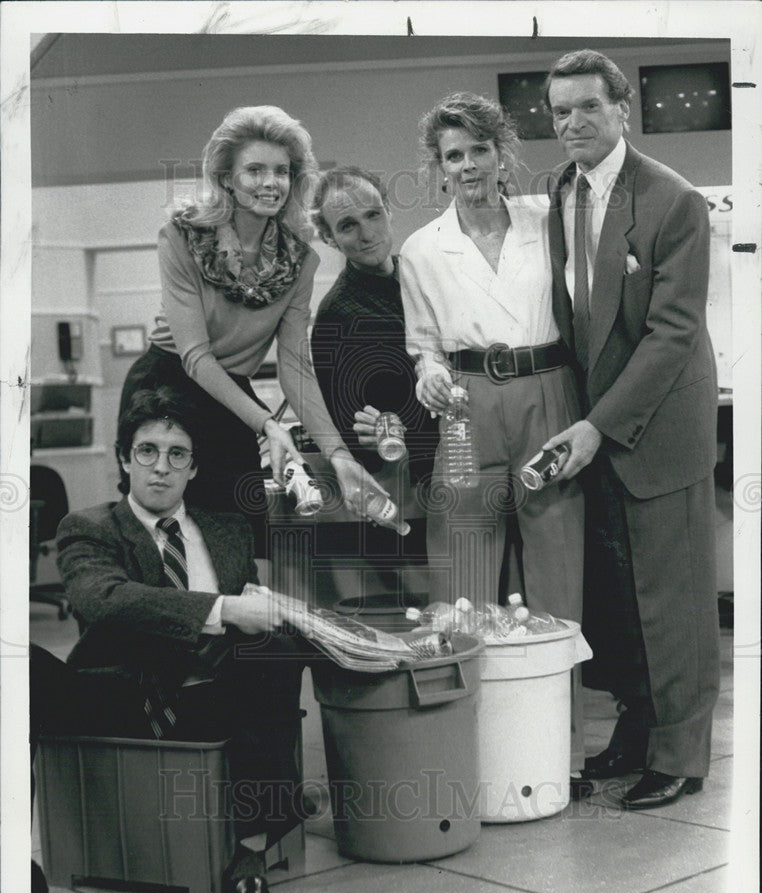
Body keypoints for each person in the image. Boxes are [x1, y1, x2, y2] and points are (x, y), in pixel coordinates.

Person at [31, 387, 323, 893]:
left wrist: (273, 612)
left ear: (193, 467)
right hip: (122, 699)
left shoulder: (228, 528)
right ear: (123, 457)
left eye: (176, 454)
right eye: (147, 451)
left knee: (277, 646)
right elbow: (106, 600)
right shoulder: (89, 528)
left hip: (212, 701)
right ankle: (12, 864)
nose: (160, 468)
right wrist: (224, 609)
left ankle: (249, 866)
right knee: (16, 668)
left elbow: (256, 613)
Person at [542, 50, 720, 809]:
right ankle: (636, 729)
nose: (573, 122)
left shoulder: (673, 200)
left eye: (588, 106)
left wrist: (598, 425)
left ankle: (682, 756)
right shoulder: (561, 190)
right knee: (618, 598)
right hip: (594, 428)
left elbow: (672, 334)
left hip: (656, 427)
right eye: (559, 112)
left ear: (623, 109)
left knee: (672, 602)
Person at [399, 92, 587, 780]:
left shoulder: (551, 222)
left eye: (481, 149)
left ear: (503, 153)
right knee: (463, 570)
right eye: (455, 155)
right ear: (438, 168)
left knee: (558, 572)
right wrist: (427, 374)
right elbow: (423, 346)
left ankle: (557, 753)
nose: (470, 164)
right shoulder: (421, 250)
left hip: (549, 392)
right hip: (464, 407)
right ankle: (469, 754)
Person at [119, 106, 385, 552]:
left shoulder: (300, 259)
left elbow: (295, 366)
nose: (270, 182)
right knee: (158, 537)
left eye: (281, 171)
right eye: (255, 170)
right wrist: (267, 424)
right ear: (227, 178)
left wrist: (339, 456)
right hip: (164, 386)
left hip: (232, 399)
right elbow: (195, 356)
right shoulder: (181, 237)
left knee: (237, 535)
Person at [310, 166, 438, 597]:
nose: (366, 233)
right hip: (412, 487)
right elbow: (346, 427)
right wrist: (375, 428)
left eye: (373, 215)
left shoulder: (423, 276)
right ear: (329, 238)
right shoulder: (336, 315)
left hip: (471, 456)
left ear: (388, 211)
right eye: (347, 225)